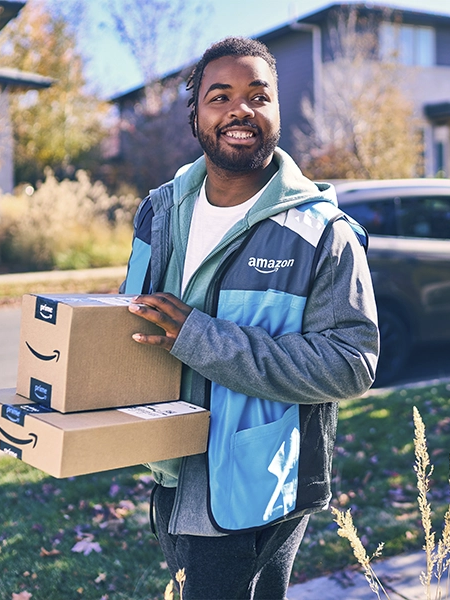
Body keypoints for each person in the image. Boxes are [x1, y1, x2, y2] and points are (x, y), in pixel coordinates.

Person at [119, 36, 379, 599]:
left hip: (258, 485)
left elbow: (351, 364)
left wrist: (199, 337)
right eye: (221, 96)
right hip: (172, 471)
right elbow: (136, 319)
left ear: (276, 112)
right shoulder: (160, 211)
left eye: (258, 96)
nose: (241, 109)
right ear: (195, 116)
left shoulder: (322, 232)